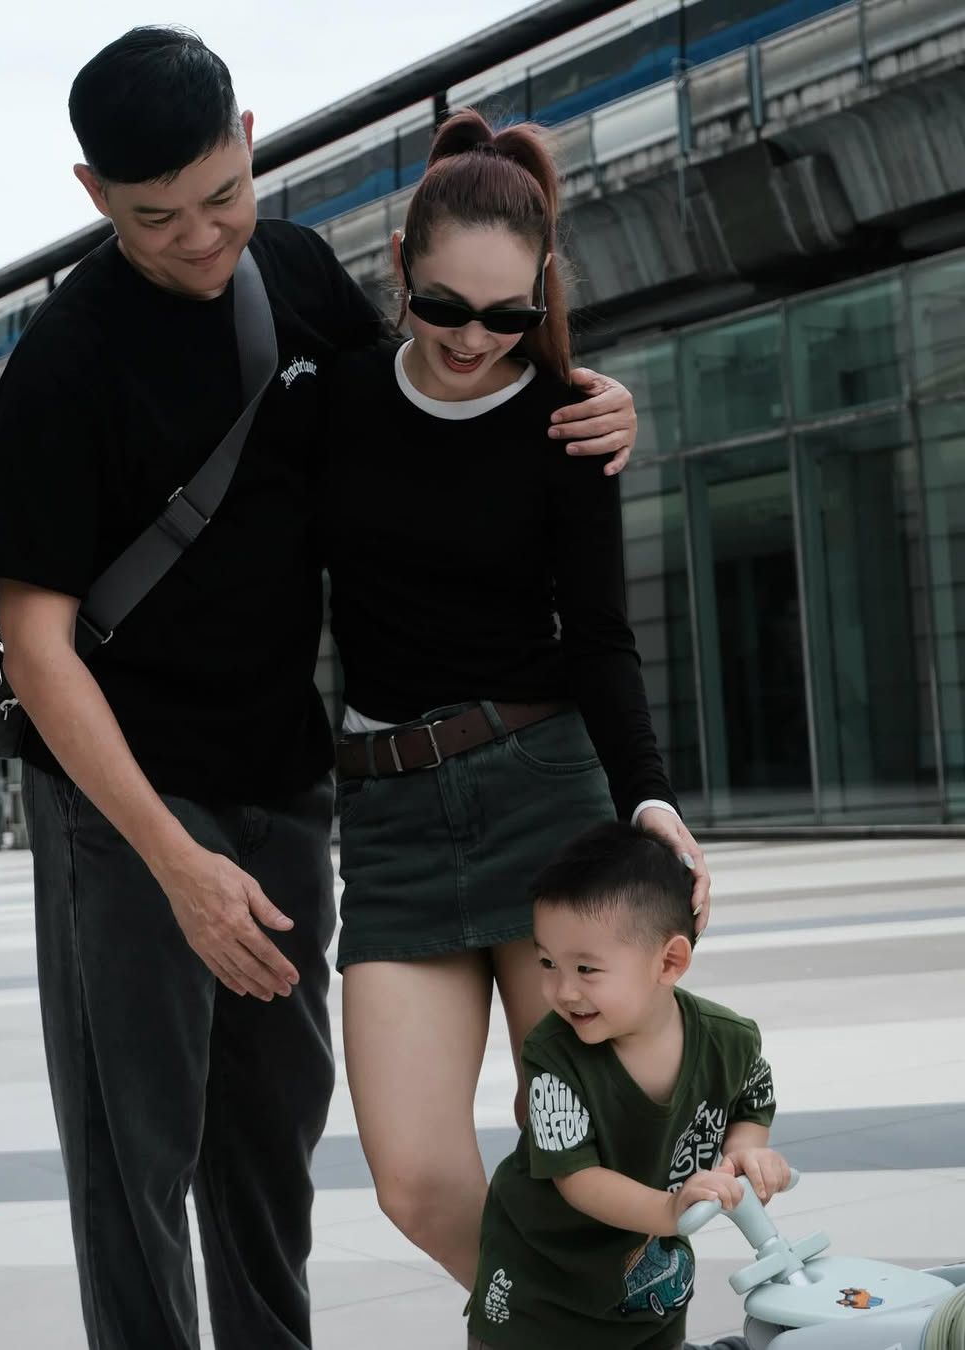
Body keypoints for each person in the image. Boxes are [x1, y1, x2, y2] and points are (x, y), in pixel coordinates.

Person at [0, 29, 642, 1350]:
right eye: (155, 216)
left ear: (250, 141)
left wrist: (590, 401)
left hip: (284, 787)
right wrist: (176, 864)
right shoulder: (63, 363)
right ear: (95, 193)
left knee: (269, 1148)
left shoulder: (297, 273)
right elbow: (36, 649)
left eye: (223, 195)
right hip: (124, 809)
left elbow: (438, 396)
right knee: (135, 1158)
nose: (201, 236)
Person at [323, 108, 711, 1293]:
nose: (472, 339)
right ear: (399, 265)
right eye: (443, 307)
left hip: (542, 795)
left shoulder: (566, 421)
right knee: (416, 1180)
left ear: (541, 291)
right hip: (389, 821)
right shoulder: (333, 402)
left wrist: (650, 798)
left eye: (506, 315)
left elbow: (599, 637)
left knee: (597, 1152)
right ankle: (575, 1322)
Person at [465, 821, 787, 1350]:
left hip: (647, 1292)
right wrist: (669, 1211)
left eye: (586, 969)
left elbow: (752, 1100)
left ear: (669, 961)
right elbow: (577, 1177)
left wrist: (745, 1154)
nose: (562, 991)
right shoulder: (552, 1055)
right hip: (539, 1294)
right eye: (547, 963)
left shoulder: (728, 1040)